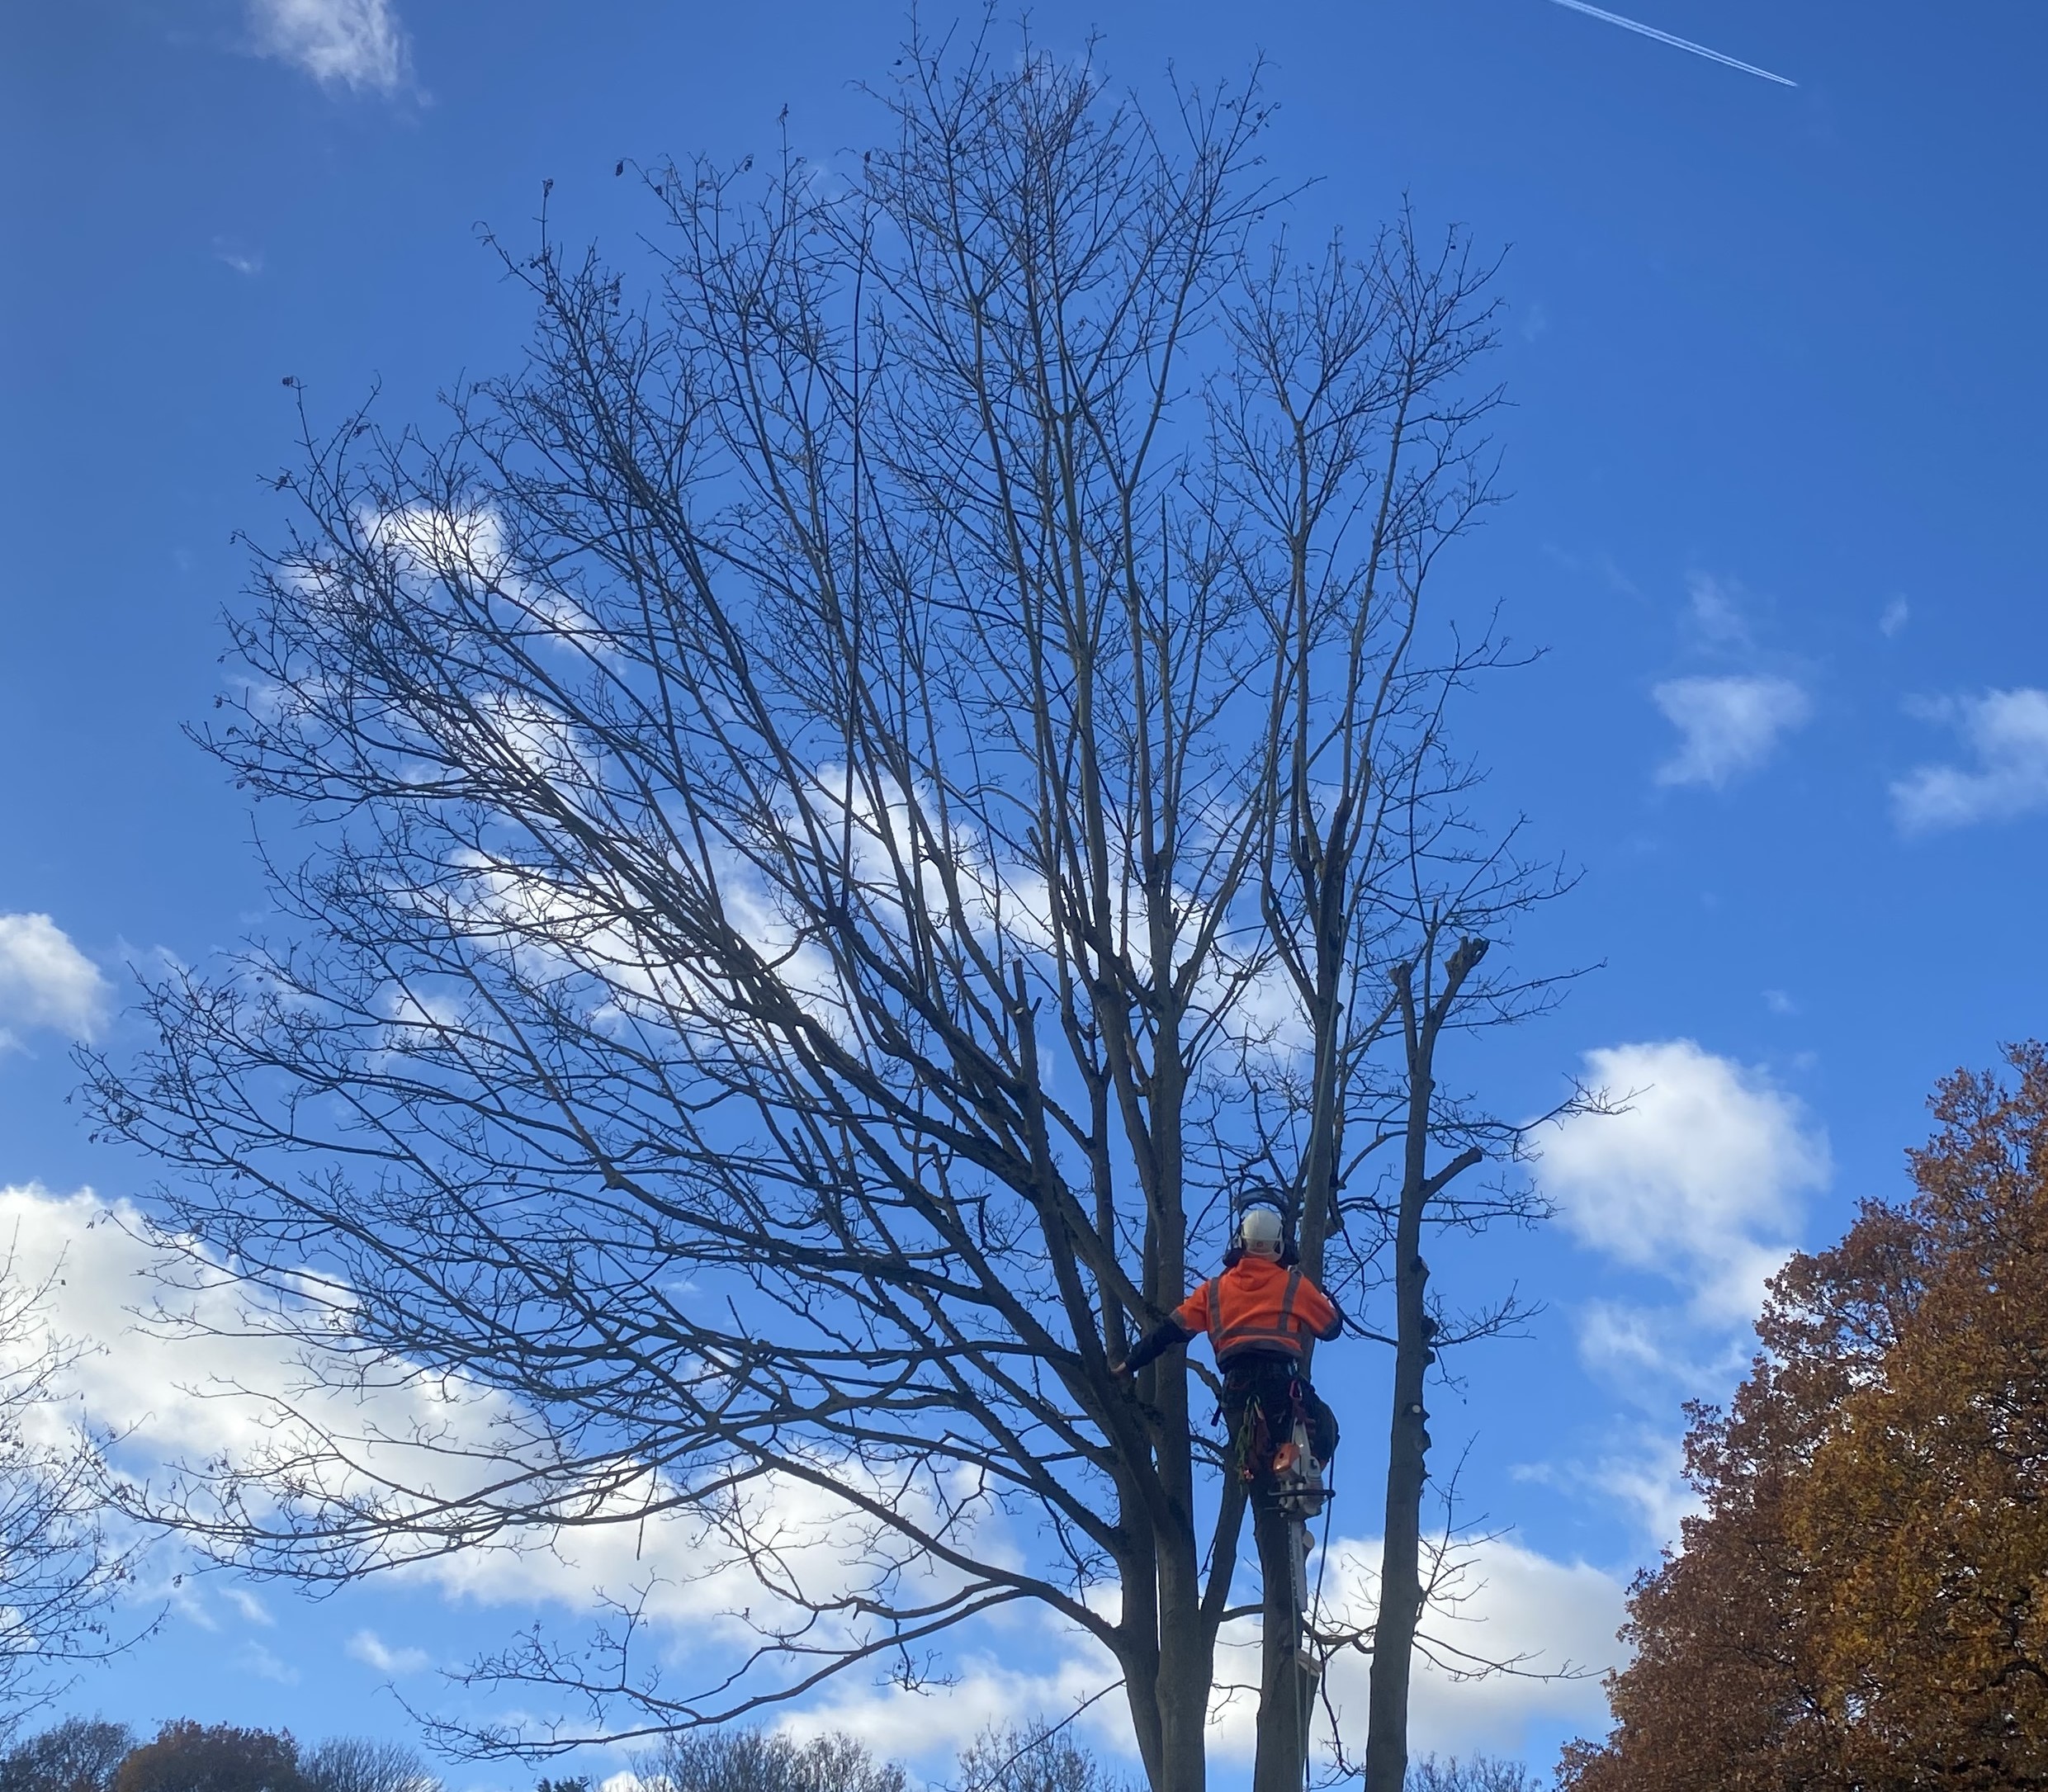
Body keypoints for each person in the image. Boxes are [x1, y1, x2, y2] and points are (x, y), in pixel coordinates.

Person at [1114, 1204, 1342, 1492]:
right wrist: (1320, 1297)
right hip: (1279, 1387)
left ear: (1240, 1243)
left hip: (1237, 1394)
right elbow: (1331, 1329)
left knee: (1256, 1471)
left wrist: (1128, 1365)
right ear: (1280, 1246)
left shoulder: (1212, 1291)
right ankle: (1306, 1480)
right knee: (1325, 1426)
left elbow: (1166, 1333)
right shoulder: (1292, 1285)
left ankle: (1277, 1493)